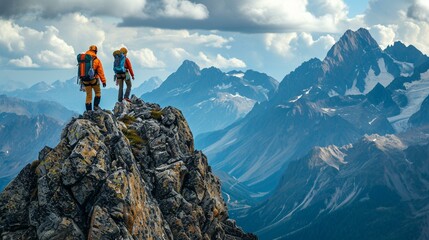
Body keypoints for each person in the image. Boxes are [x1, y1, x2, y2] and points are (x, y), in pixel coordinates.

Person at [83, 45, 106, 111]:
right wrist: (103, 81)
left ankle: (88, 111)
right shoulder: (96, 60)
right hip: (94, 79)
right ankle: (96, 107)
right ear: (95, 51)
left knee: (88, 95)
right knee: (98, 92)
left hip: (84, 80)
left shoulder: (83, 60)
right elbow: (100, 72)